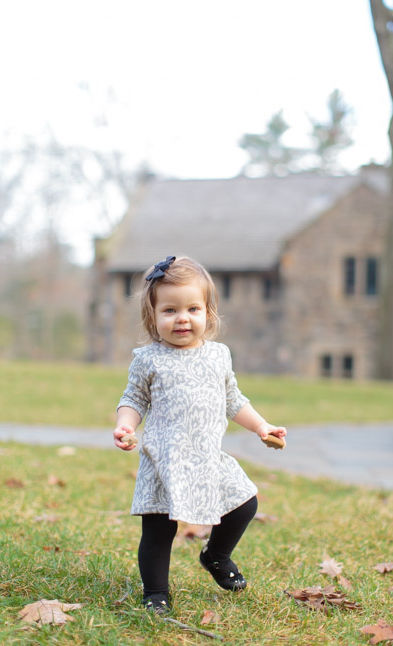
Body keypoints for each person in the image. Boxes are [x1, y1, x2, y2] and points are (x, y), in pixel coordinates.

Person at [113, 255, 287, 614]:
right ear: (153, 316)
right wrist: (127, 424)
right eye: (170, 310)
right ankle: (156, 592)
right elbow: (134, 398)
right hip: (164, 458)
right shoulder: (149, 359)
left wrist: (261, 426)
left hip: (207, 456)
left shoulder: (219, 356)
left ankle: (216, 556)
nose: (182, 318)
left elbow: (233, 400)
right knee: (159, 530)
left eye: (193, 308)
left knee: (244, 503)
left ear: (208, 313)